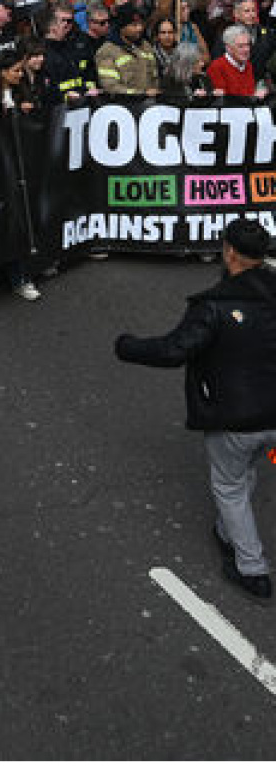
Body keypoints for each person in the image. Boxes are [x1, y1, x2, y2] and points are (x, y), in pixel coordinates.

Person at [116, 218, 276, 600]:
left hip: (236, 419)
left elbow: (174, 350)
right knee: (245, 472)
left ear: (230, 252)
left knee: (229, 485)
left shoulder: (213, 307)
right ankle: (226, 531)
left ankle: (250, 567)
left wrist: (127, 346)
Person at [95, 4, 158, 97]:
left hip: (150, 106)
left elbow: (154, 78)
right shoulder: (107, 51)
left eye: (141, 24)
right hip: (123, 106)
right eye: (134, 25)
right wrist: (141, 94)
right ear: (121, 27)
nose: (139, 28)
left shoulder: (146, 46)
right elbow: (111, 87)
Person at [207, 24, 265, 98]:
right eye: (241, 46)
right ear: (228, 48)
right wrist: (253, 97)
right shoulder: (217, 67)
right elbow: (223, 100)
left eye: (247, 45)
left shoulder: (248, 65)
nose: (246, 49)